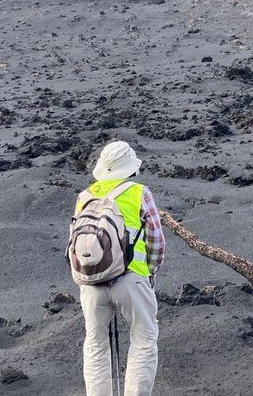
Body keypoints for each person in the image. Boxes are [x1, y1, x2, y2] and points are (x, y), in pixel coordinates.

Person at [76, 140, 164, 396]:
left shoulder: (84, 196)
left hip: (91, 282)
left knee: (95, 344)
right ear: (130, 169)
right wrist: (150, 273)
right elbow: (157, 242)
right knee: (143, 341)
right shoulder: (139, 193)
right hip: (131, 279)